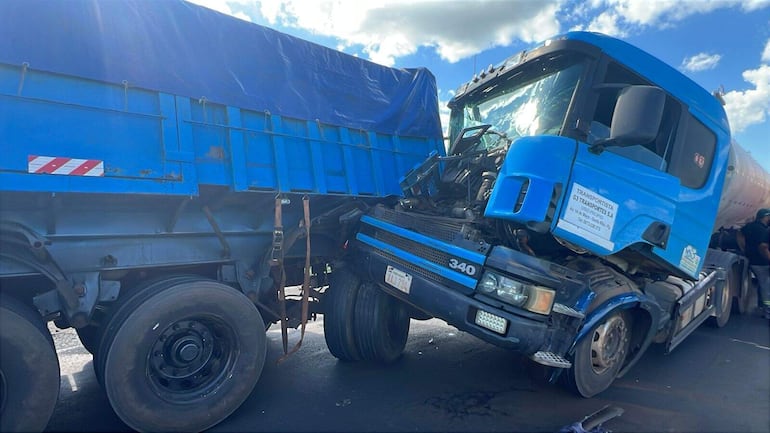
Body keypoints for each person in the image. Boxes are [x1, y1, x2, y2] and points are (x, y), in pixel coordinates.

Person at [740, 208, 770, 319]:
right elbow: (763, 247)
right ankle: (766, 309)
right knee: (765, 285)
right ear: (765, 217)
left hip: (752, 259)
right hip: (762, 262)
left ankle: (763, 305)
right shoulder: (765, 230)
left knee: (763, 284)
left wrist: (743, 247)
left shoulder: (750, 226)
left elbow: (740, 233)